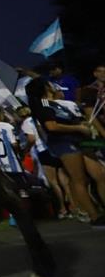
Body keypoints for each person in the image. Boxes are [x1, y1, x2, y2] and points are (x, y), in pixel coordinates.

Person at [26, 78, 105, 227]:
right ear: (45, 87)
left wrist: (82, 125)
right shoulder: (43, 104)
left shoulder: (57, 104)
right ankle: (94, 216)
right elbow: (52, 126)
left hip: (80, 141)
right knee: (79, 179)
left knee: (99, 174)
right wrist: (78, 128)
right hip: (64, 143)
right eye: (49, 84)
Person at [18, 105, 72, 219]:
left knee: (53, 182)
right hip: (53, 148)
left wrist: (26, 149)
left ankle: (62, 208)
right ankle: (74, 205)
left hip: (43, 151)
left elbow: (31, 139)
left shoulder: (26, 123)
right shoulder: (39, 118)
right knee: (64, 180)